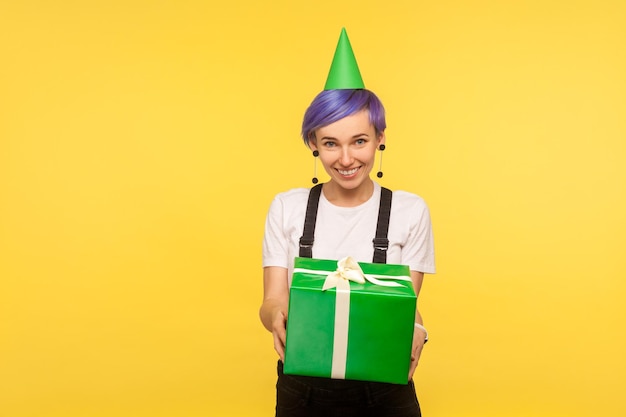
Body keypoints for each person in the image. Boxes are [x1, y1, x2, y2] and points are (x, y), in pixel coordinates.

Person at [260, 29, 435, 417]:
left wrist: (418, 332)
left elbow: (405, 307)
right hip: (303, 390)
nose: (345, 158)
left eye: (359, 141)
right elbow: (272, 299)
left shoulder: (410, 211)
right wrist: (276, 317)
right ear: (313, 143)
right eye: (330, 143)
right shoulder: (287, 208)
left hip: (385, 387)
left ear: (380, 139)